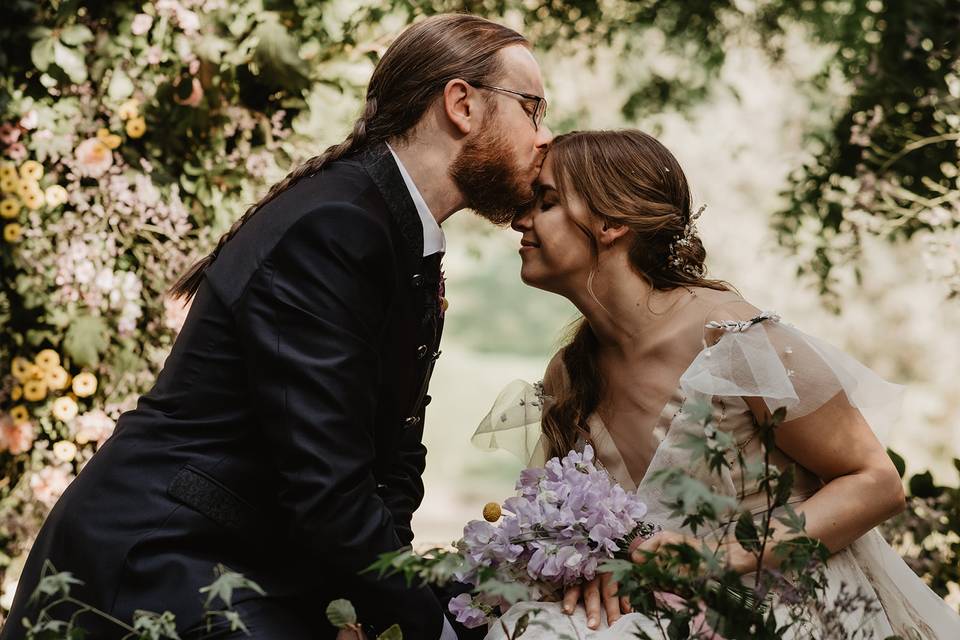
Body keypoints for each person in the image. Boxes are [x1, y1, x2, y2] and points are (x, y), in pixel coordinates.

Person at [1, 13, 552, 640]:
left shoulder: (401, 236)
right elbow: (329, 488)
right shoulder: (338, 225)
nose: (545, 137)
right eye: (532, 108)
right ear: (462, 104)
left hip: (245, 564)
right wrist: (439, 625)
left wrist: (378, 606)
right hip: (160, 562)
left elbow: (390, 465)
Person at [473, 129, 960, 638]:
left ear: (612, 220)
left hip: (781, 607)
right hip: (661, 612)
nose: (519, 220)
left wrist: (718, 556)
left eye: (546, 201)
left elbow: (876, 483)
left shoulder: (738, 341)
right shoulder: (567, 376)